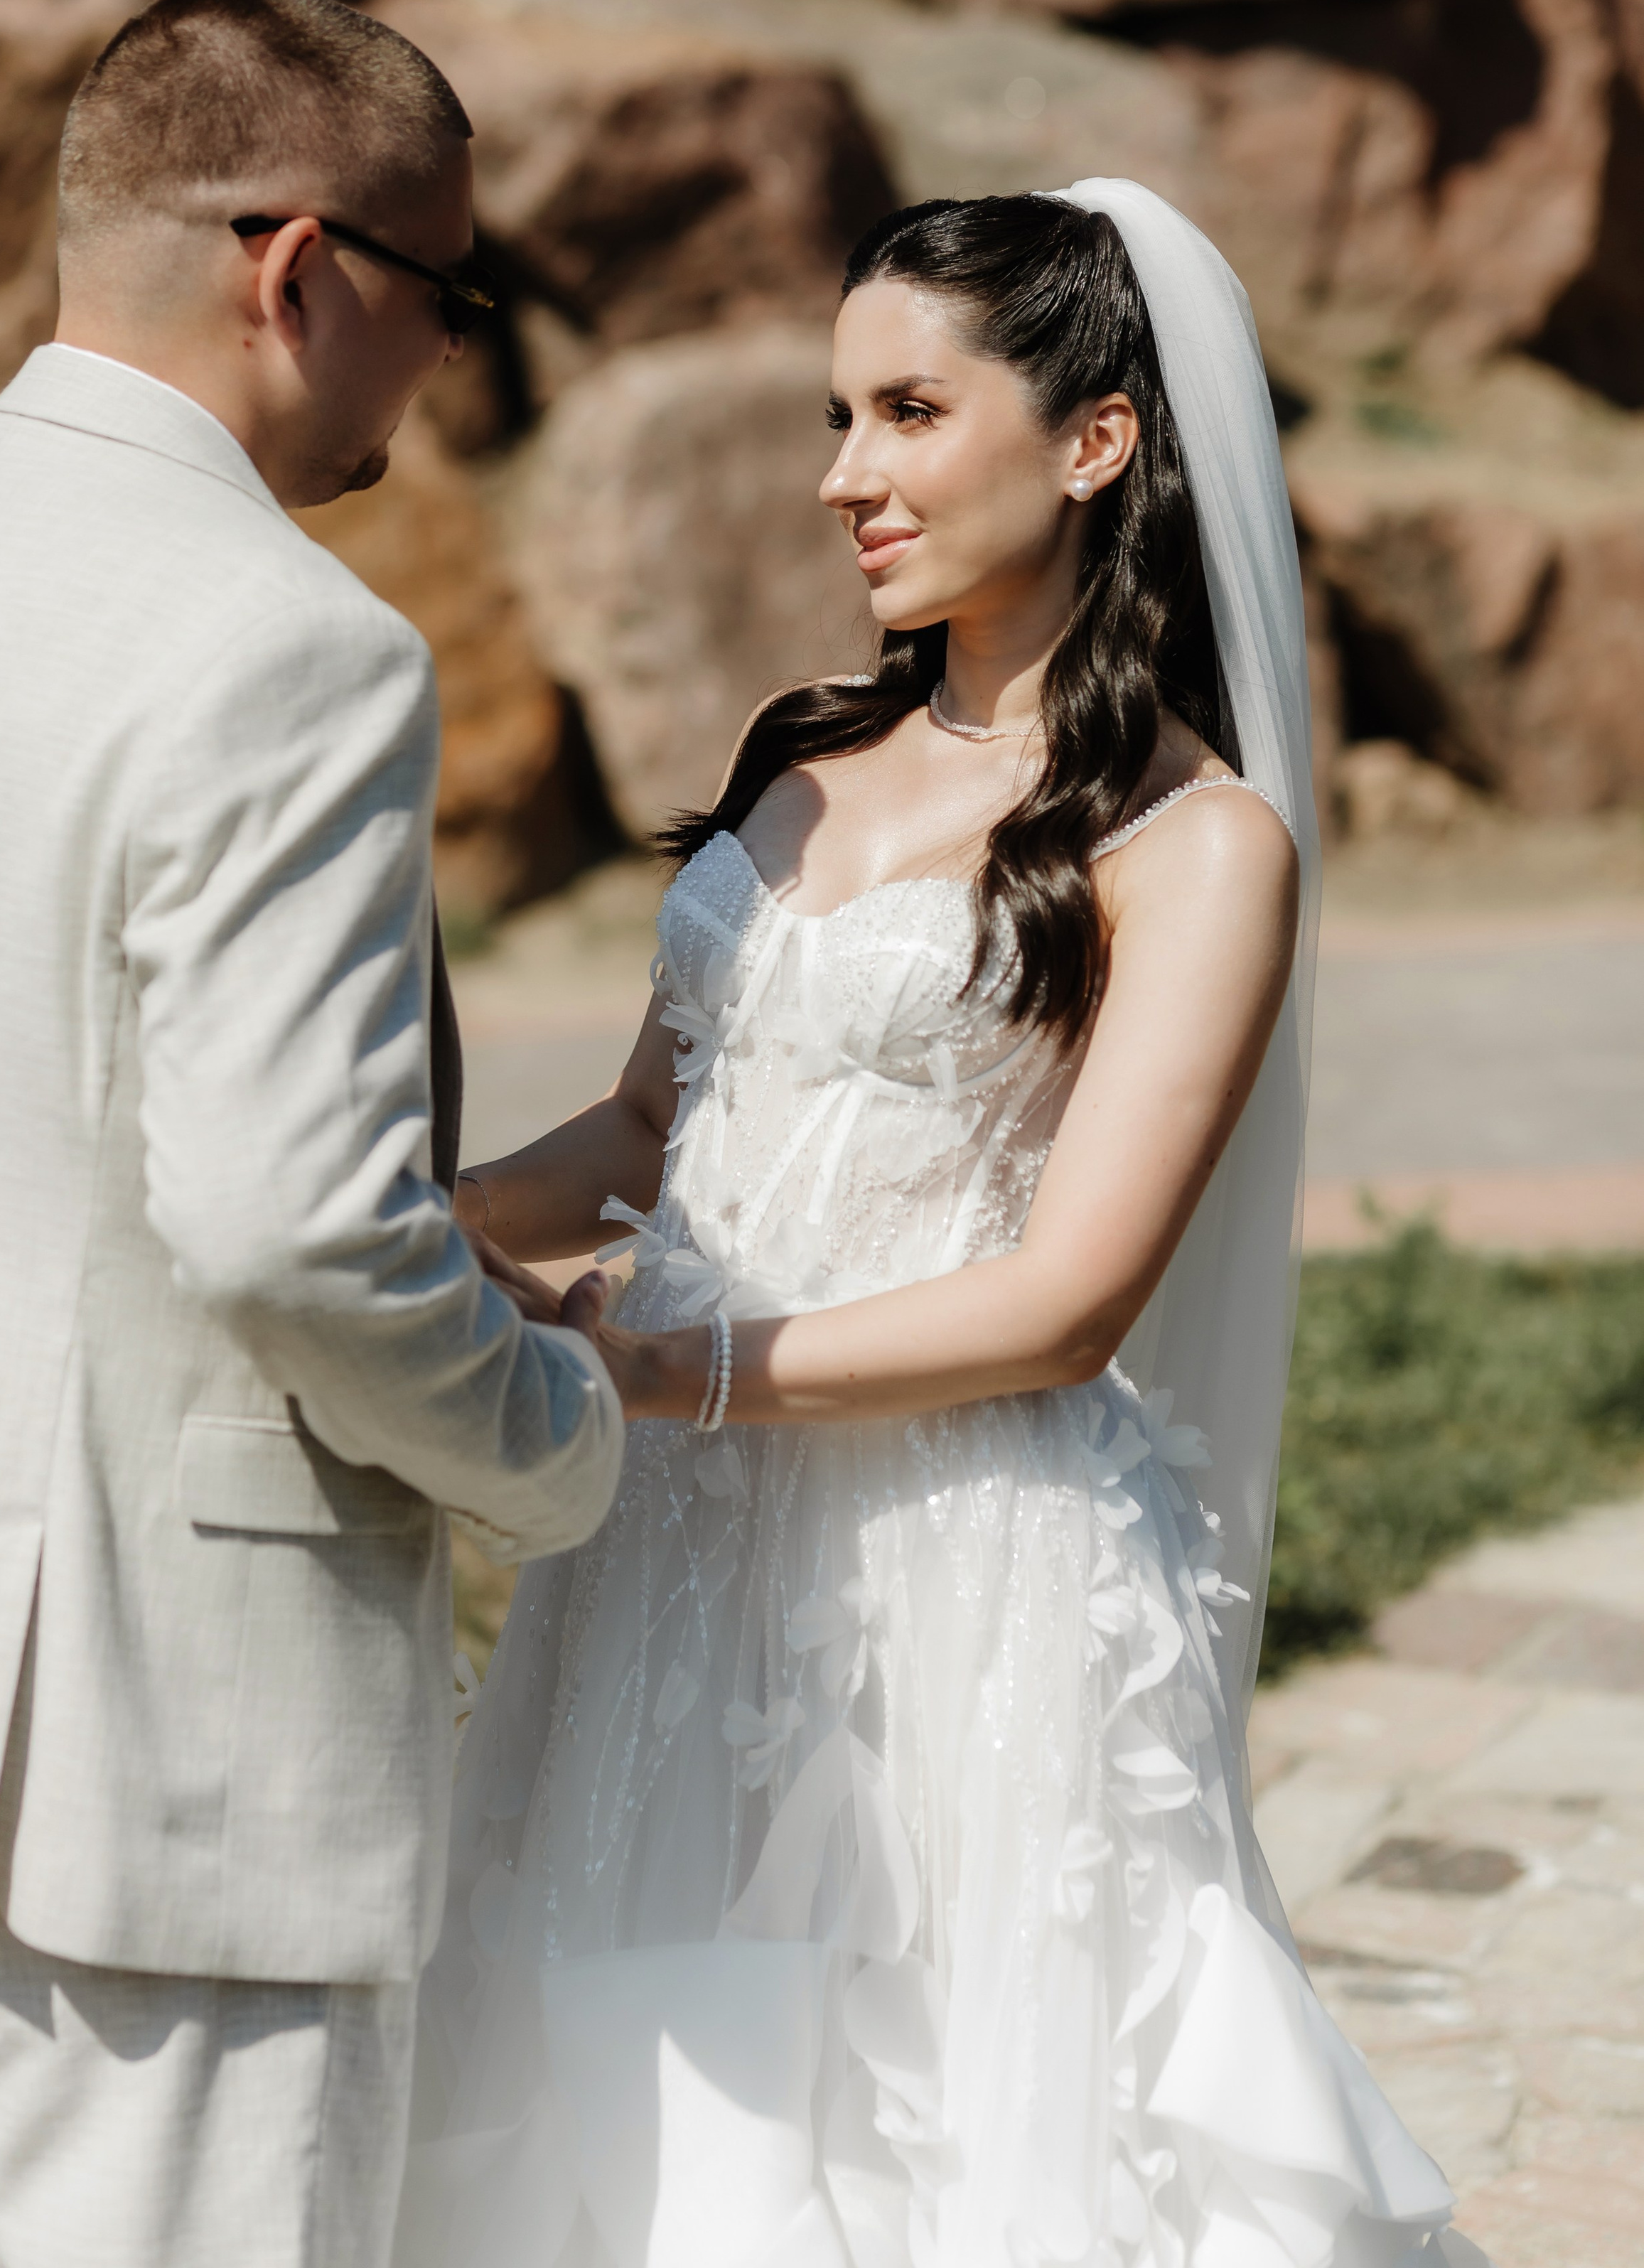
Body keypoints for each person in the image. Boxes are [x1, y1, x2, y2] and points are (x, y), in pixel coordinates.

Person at [400, 187, 1485, 2267]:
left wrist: (658, 1364)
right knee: (626, 2068)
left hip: (953, 1559)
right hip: (671, 1532)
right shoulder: (800, 756)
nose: (842, 476)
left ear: (1096, 441)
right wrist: (417, 1224)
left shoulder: (1195, 843)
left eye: (907, 410)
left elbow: (1074, 1303)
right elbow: (650, 1116)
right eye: (838, 414)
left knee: (950, 2118)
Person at [0, 0, 623, 2268]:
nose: (444, 367)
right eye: (445, 301)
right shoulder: (290, 646)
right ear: (302, 272)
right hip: (175, 1762)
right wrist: (552, 1435)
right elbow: (288, 1233)